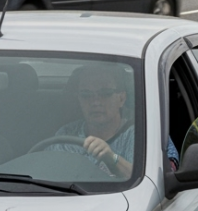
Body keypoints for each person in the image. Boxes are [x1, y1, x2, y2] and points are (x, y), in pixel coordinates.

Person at [50, 64, 179, 177]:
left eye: (105, 93)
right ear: (79, 99)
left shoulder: (145, 134)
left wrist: (112, 159)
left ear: (122, 98)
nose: (95, 102)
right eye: (86, 95)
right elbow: (48, 174)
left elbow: (160, 182)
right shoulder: (65, 135)